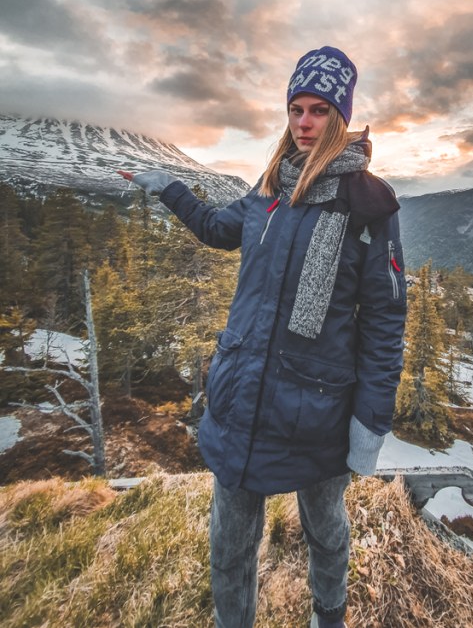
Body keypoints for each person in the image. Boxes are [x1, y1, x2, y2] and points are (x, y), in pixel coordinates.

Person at [120, 46, 406, 628]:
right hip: (241, 398)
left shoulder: (367, 205)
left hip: (318, 408)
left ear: (340, 117)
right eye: (296, 109)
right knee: (228, 547)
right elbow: (216, 229)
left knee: (325, 532)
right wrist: (169, 187)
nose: (304, 122)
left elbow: (384, 320)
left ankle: (329, 617)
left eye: (319, 110)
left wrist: (370, 422)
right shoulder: (268, 190)